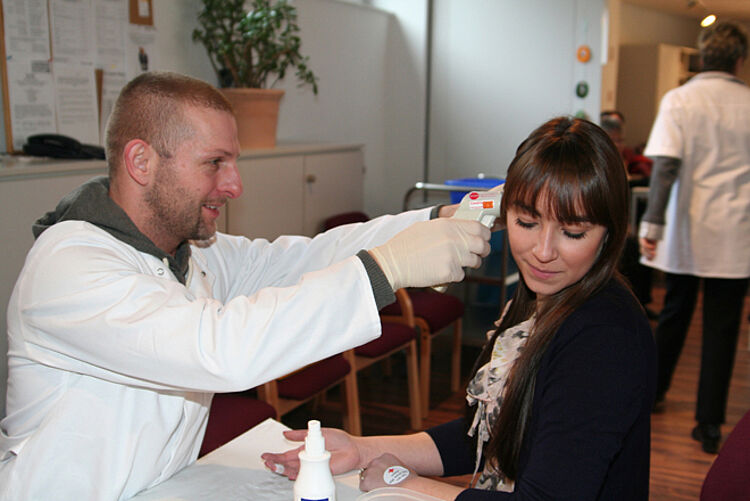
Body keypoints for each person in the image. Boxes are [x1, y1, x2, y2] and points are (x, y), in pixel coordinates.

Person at [0, 72, 492, 500]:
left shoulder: (191, 253)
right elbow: (219, 350)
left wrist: (433, 221)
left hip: (159, 487)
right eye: (214, 162)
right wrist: (387, 268)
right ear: (141, 162)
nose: (234, 185)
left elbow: (301, 259)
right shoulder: (70, 267)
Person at [263, 116, 657, 500]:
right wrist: (361, 449)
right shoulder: (542, 297)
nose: (543, 251)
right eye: (526, 222)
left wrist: (406, 483)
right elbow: (485, 435)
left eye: (572, 232)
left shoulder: (605, 338)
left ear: (610, 234)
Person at [638, 21, 750, 454]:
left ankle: (654, 393)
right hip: (736, 231)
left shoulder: (680, 99)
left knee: (675, 312)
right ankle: (709, 423)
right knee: (722, 327)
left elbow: (665, 168)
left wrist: (651, 226)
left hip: (687, 227)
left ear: (703, 56)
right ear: (740, 60)